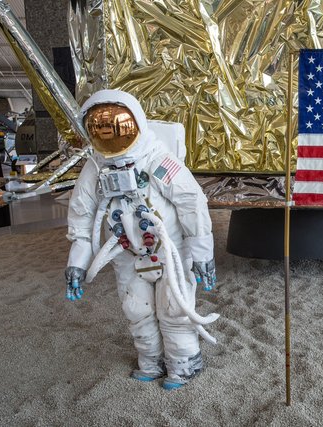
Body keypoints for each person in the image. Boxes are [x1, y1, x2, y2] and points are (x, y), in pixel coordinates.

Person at [64, 89, 218, 390]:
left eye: (117, 126)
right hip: (125, 252)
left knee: (174, 308)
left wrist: (202, 253)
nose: (109, 134)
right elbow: (81, 215)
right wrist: (77, 262)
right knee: (137, 309)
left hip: (169, 250)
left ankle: (184, 364)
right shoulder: (95, 166)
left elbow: (192, 204)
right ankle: (150, 361)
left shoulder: (158, 159)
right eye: (100, 128)